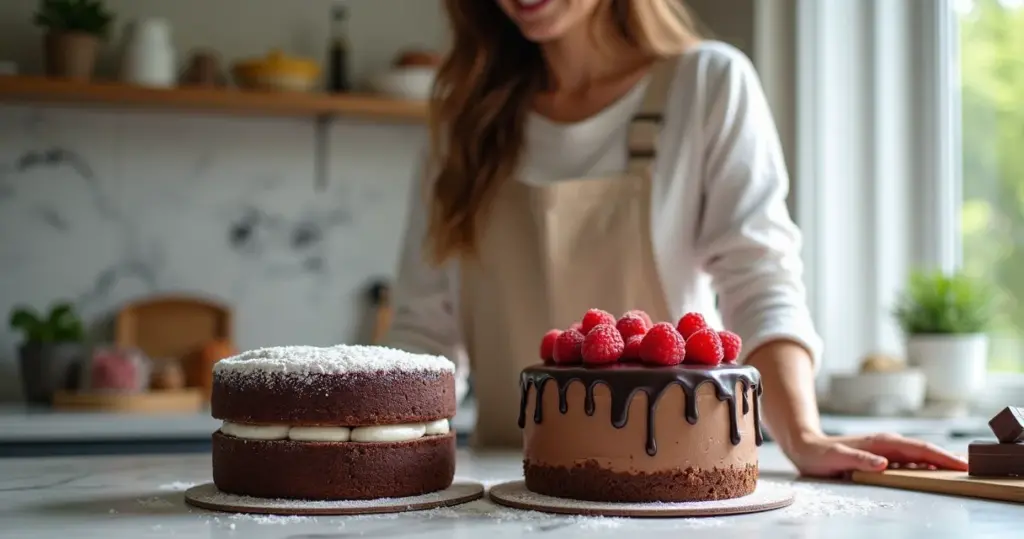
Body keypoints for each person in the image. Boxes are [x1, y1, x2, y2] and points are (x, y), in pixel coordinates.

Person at [384, 0, 967, 478]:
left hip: (673, 481)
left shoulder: (707, 83)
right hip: (507, 480)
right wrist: (378, 450)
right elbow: (423, 323)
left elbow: (759, 278)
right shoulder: (465, 120)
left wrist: (804, 435)